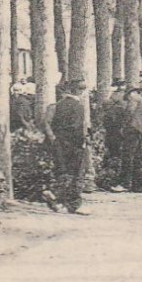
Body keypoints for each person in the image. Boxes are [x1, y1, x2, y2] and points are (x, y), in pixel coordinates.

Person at [48, 79, 89, 214]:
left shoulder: (58, 105)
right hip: (73, 143)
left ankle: (57, 198)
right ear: (78, 91)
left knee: (62, 171)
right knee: (76, 173)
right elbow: (77, 127)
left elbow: (50, 123)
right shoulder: (78, 106)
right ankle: (72, 204)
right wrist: (82, 143)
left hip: (59, 141)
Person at [120, 86, 142, 192]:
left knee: (128, 156)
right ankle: (140, 183)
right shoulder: (141, 99)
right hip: (141, 130)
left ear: (130, 93)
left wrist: (123, 126)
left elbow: (129, 112)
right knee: (138, 156)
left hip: (133, 130)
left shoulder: (134, 99)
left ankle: (125, 183)